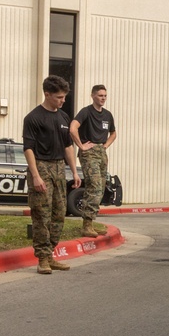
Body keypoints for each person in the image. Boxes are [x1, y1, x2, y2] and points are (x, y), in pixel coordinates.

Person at [23, 75, 81, 274]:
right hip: (41, 165)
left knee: (59, 213)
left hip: (59, 167)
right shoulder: (33, 118)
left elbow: (68, 146)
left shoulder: (63, 117)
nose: (63, 100)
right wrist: (36, 175)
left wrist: (74, 171)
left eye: (64, 97)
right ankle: (42, 258)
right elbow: (28, 148)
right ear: (47, 94)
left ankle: (51, 253)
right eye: (58, 97)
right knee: (42, 214)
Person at [69, 85, 117, 238]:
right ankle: (86, 224)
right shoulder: (86, 112)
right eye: (100, 95)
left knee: (101, 187)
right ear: (93, 96)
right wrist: (81, 146)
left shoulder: (108, 115)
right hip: (89, 153)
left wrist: (105, 145)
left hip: (101, 152)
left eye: (105, 95)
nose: (103, 98)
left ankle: (92, 222)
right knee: (94, 185)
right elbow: (72, 128)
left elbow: (113, 133)